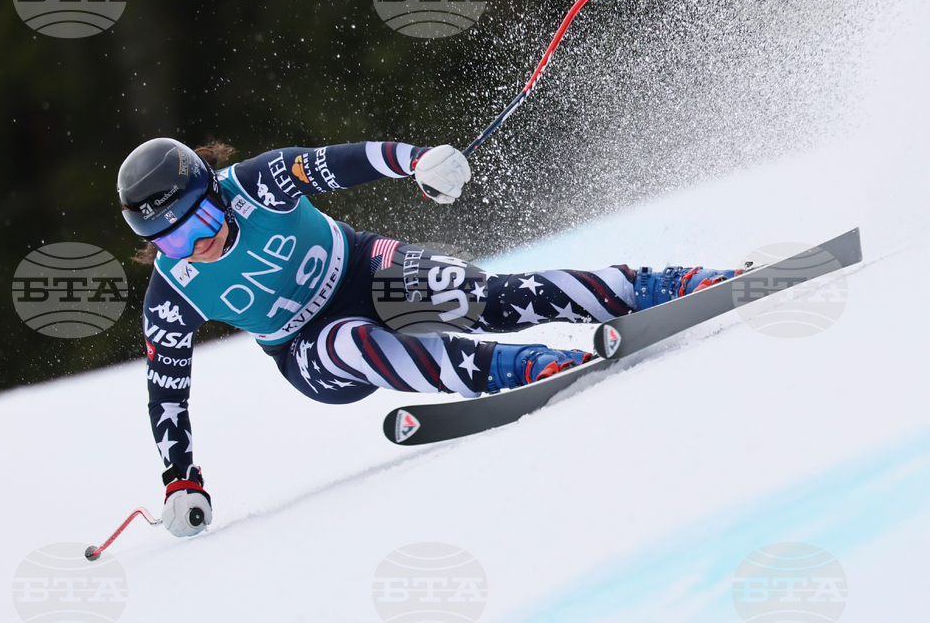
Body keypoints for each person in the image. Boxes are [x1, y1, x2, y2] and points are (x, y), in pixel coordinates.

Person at [118, 138, 736, 537]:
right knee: (352, 343)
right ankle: (529, 369)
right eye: (171, 241)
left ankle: (676, 284)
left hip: (361, 265)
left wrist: (417, 162)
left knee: (486, 298)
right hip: (308, 349)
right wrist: (181, 481)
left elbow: (342, 162)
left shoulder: (255, 184)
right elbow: (167, 394)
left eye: (199, 219)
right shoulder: (173, 294)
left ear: (212, 192)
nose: (196, 243)